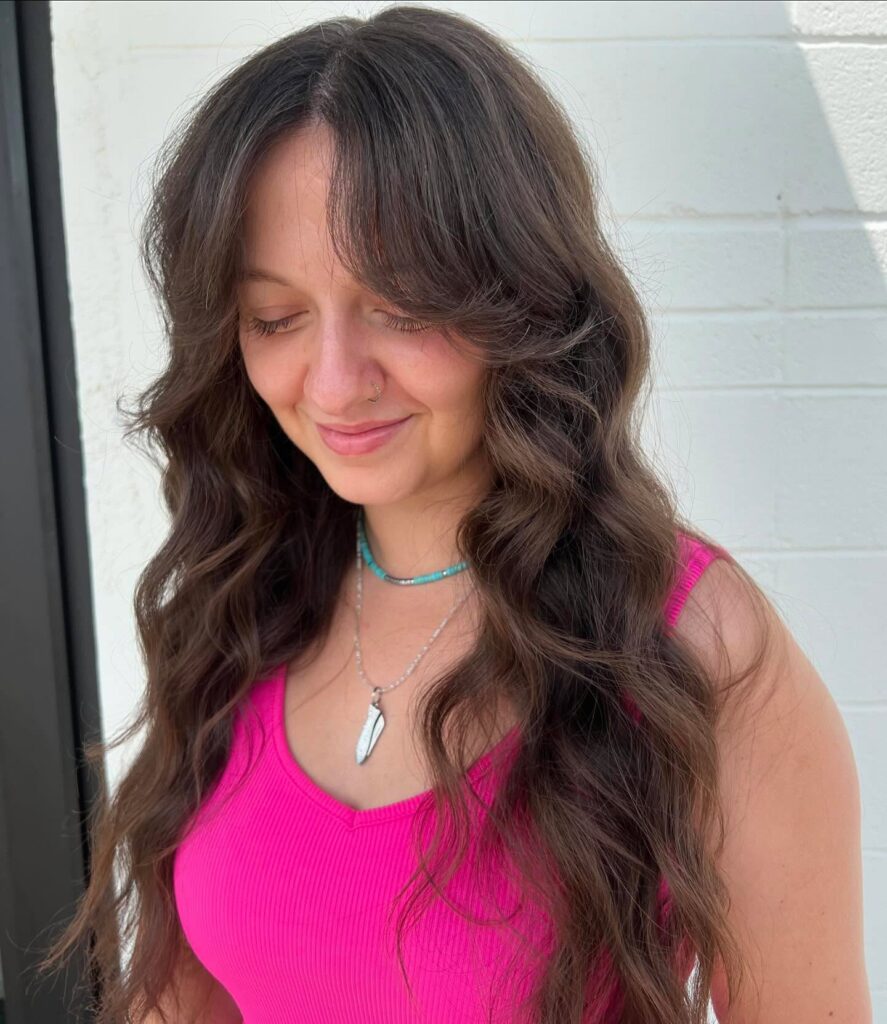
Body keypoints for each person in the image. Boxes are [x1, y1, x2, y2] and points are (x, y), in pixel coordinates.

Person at [36, 5, 870, 1023]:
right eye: (276, 317)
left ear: (519, 299)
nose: (334, 382)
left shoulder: (694, 647)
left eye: (400, 306)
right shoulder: (240, 601)